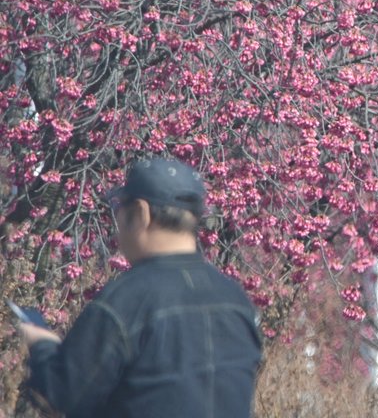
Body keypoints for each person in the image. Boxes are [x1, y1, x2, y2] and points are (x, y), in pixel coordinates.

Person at [17, 157, 263, 417]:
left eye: (119, 209)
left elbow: (59, 396)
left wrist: (42, 345)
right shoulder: (235, 298)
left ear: (141, 213)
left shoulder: (127, 298)